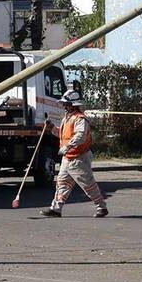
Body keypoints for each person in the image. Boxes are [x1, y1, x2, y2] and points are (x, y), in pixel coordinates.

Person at [40, 90, 108, 218]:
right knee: (61, 183)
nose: (64, 106)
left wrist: (67, 146)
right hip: (68, 157)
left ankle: (101, 207)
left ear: (73, 104)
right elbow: (62, 134)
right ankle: (56, 209)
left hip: (79, 157)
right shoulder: (67, 118)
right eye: (64, 104)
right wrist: (52, 128)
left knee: (87, 184)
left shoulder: (80, 119)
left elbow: (80, 136)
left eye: (66, 104)